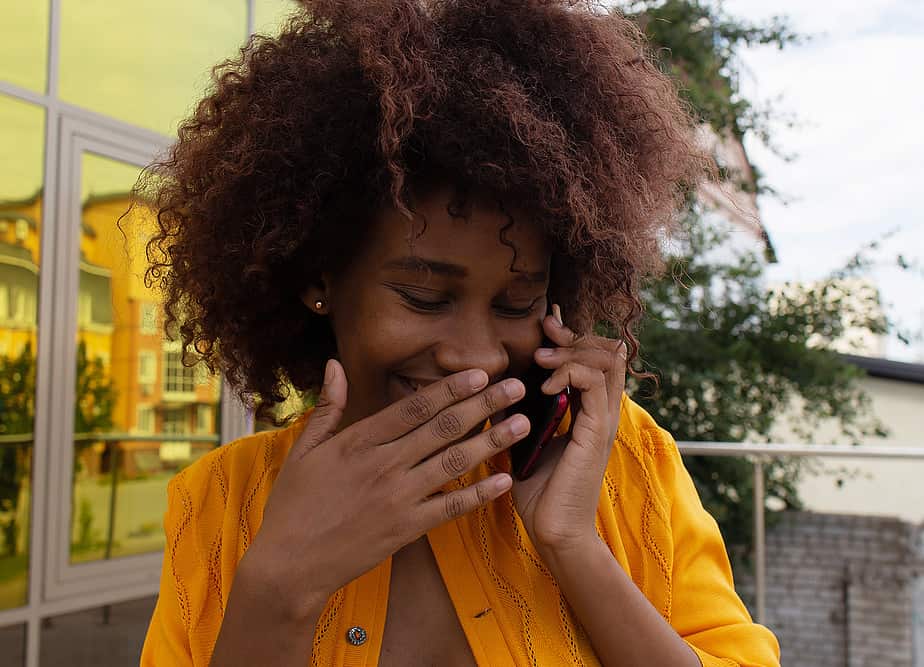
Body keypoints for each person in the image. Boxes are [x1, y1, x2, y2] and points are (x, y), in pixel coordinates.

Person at [138, 1, 781, 665]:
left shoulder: (627, 464)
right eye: (424, 296)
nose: (475, 356)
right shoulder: (222, 500)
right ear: (316, 279)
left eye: (517, 301)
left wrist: (571, 543)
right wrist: (279, 586)